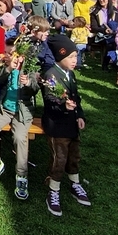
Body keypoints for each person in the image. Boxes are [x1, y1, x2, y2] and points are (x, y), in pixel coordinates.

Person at [39, 34, 89, 215]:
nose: (75, 60)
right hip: (57, 125)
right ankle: (53, 190)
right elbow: (50, 99)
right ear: (60, 56)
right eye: (71, 57)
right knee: (59, 158)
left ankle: (75, 183)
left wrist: (79, 115)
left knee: (74, 155)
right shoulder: (51, 75)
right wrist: (62, 105)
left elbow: (76, 97)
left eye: (76, 56)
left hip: (71, 124)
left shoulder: (70, 74)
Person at [0, 47, 38, 200]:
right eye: (13, 54)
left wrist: (28, 82)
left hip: (22, 112)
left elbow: (35, 88)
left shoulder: (29, 67)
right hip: (5, 109)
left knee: (19, 138)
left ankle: (21, 175)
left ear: (24, 56)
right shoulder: (7, 65)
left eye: (19, 55)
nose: (16, 57)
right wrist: (9, 68)